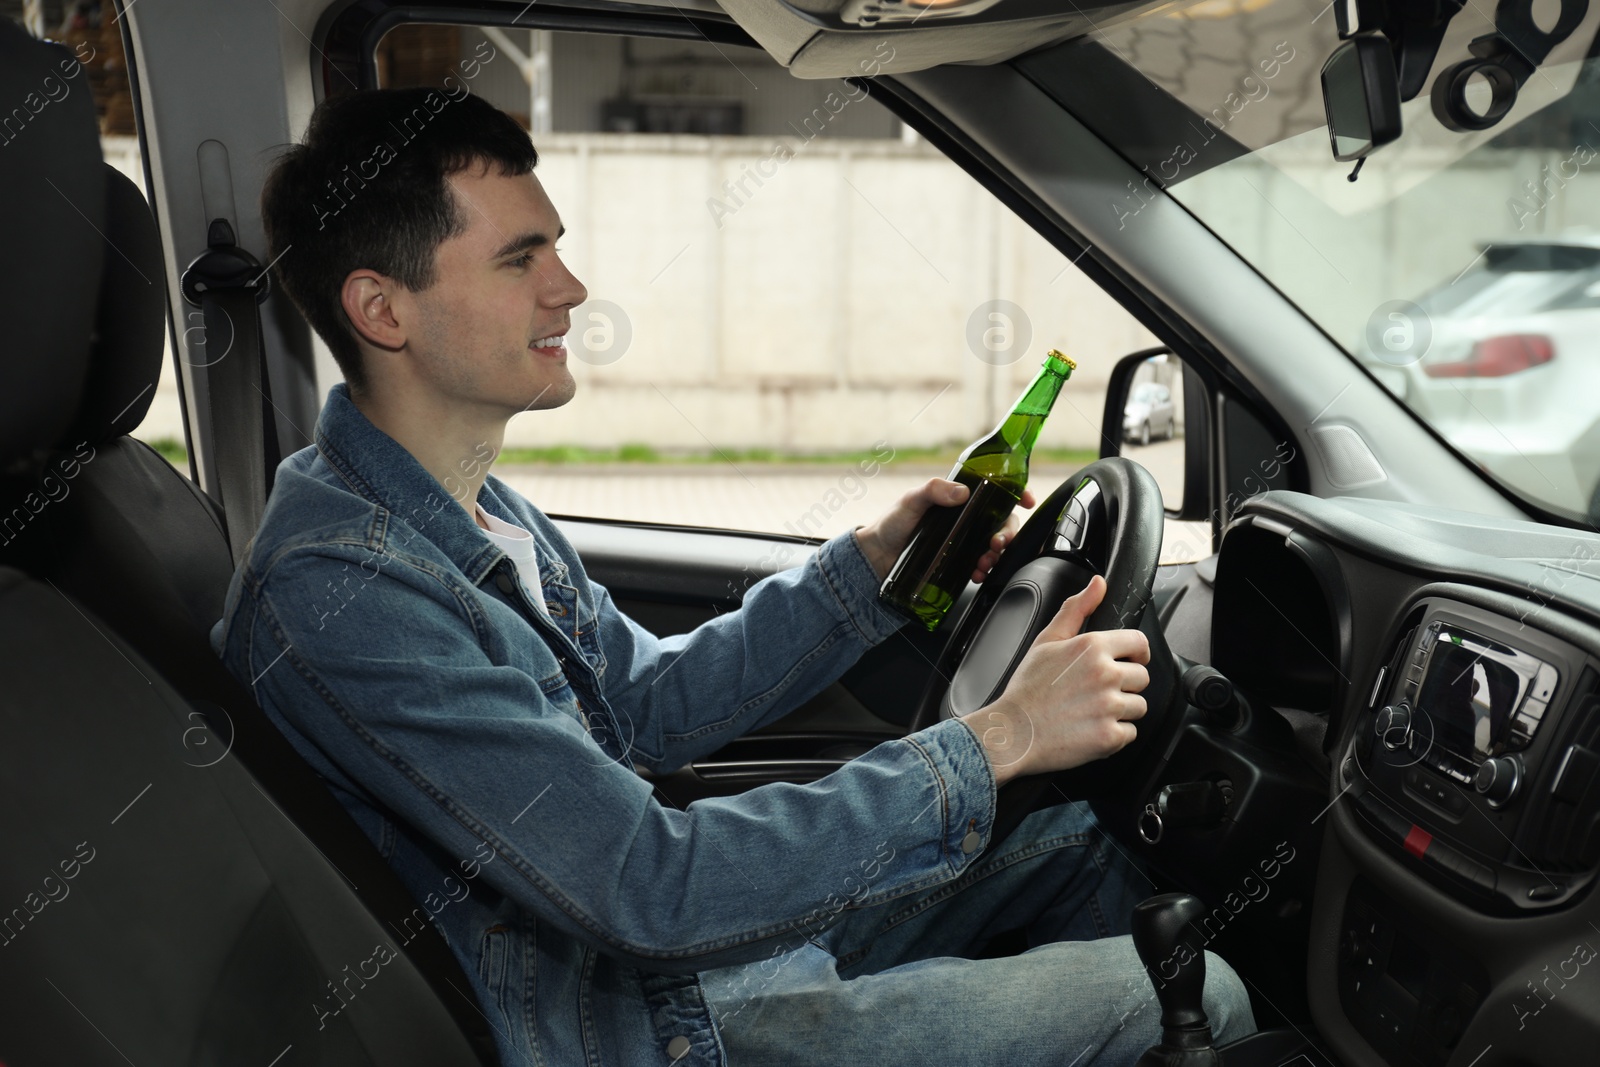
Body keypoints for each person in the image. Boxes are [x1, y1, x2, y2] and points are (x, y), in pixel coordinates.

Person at [210, 85, 1256, 1067]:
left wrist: (867, 567)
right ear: (382, 311)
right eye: (518, 259)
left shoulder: (470, 506)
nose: (568, 288)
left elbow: (643, 705)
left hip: (669, 963)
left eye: (557, 251)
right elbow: (646, 886)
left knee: (1077, 835)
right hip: (635, 1019)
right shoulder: (342, 588)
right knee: (1196, 990)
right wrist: (1001, 734)